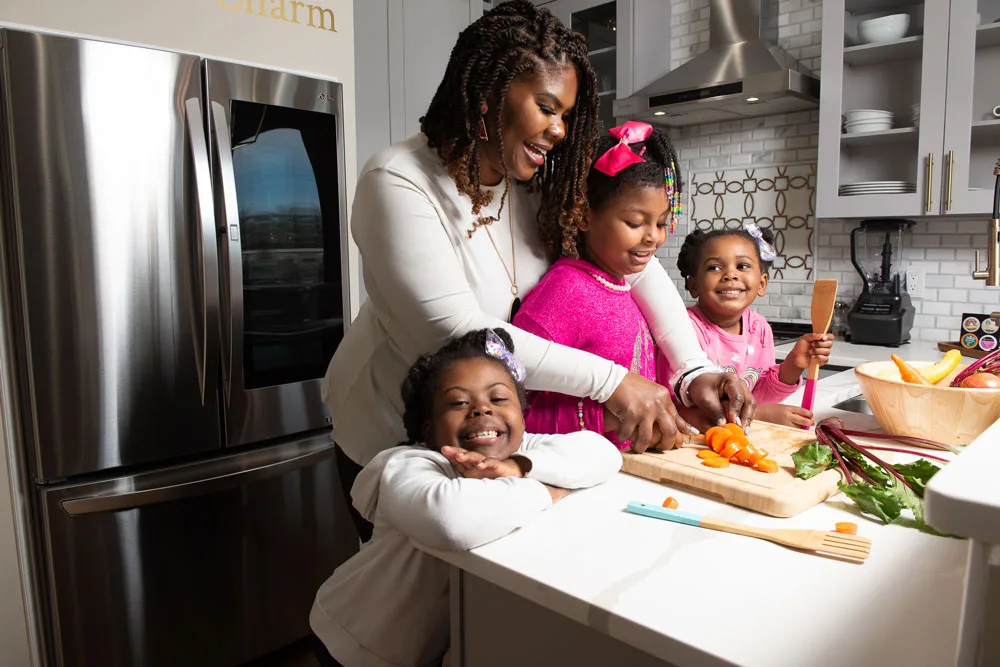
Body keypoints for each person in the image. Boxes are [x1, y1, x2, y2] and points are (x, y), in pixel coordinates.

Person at [323, 0, 753, 542]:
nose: (557, 131)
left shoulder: (531, 182)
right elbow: (458, 336)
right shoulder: (398, 179)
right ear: (488, 93)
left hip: (488, 428)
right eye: (547, 107)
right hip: (391, 426)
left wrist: (691, 368)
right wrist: (615, 383)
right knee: (412, 601)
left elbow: (630, 262)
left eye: (567, 115)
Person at [310, 328, 622, 667]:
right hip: (356, 637)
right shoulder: (407, 466)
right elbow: (452, 523)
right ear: (428, 428)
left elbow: (603, 453)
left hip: (424, 642)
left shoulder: (519, 450)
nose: (481, 410)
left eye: (500, 399)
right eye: (459, 402)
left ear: (522, 414)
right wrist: (548, 490)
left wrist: (516, 466)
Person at [513, 121, 688, 448]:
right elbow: (515, 414)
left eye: (662, 223)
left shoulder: (625, 287)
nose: (653, 236)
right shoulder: (563, 294)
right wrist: (609, 418)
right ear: (583, 215)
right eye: (636, 222)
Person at [659, 226, 834, 428]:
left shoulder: (759, 327)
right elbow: (672, 407)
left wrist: (794, 364)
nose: (730, 274)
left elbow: (759, 395)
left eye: (742, 266)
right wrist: (759, 414)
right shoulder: (682, 329)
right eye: (714, 267)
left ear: (762, 283)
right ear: (693, 285)